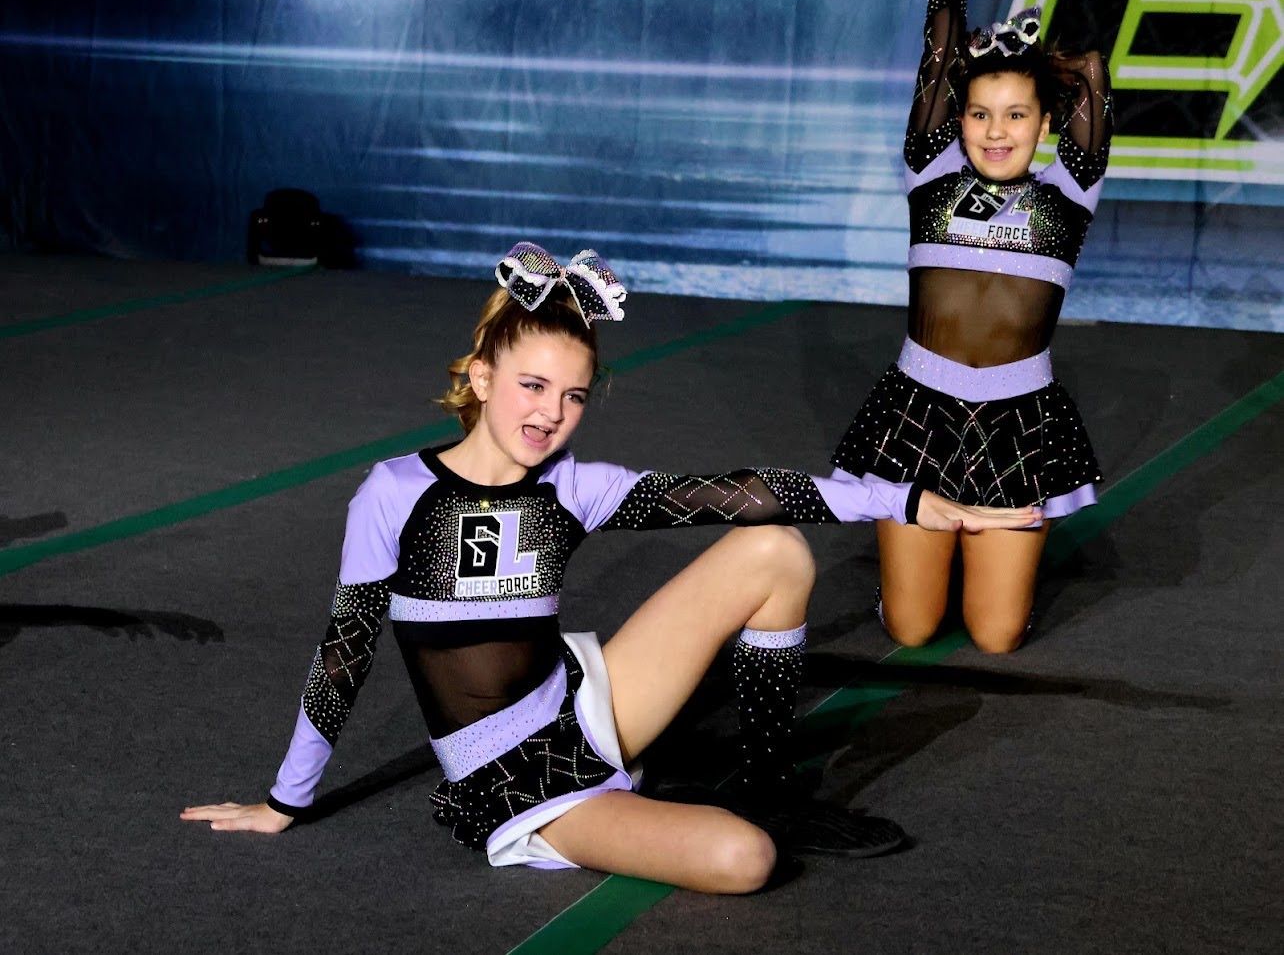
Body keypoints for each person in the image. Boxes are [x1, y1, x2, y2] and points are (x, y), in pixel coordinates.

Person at [183, 243, 1040, 894]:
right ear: (480, 378)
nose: (550, 414)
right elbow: (345, 651)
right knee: (743, 860)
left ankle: (769, 781)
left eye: (573, 395)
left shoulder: (574, 487)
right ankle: (666, 808)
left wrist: (907, 501)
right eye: (530, 386)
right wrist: (285, 800)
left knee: (773, 549)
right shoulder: (395, 493)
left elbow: (742, 494)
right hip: (514, 775)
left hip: (583, 700)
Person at [830, 0, 1112, 655]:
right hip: (916, 415)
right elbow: (938, 62)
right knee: (914, 628)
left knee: (995, 635)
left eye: (1017, 114)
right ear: (956, 122)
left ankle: (983, 564)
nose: (996, 131)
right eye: (980, 113)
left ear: (1045, 124)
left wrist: (1030, 58)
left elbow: (1092, 74)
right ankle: (913, 571)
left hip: (1021, 424)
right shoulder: (932, 177)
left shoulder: (1068, 195)